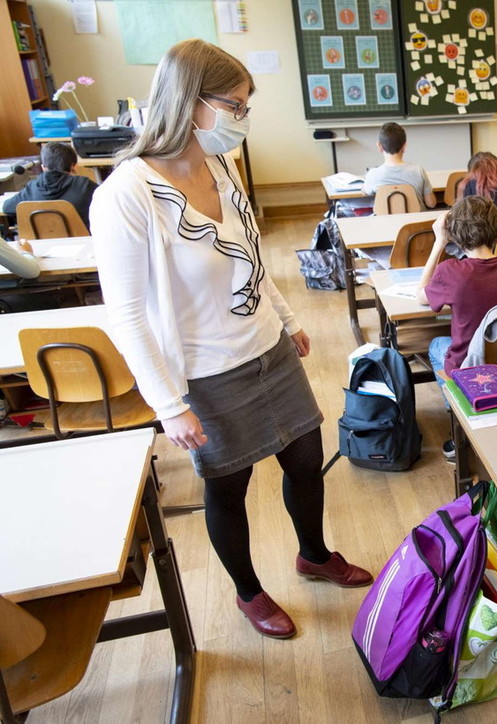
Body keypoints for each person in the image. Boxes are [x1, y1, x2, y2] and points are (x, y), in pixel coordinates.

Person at [90, 39, 371, 640]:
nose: (242, 117)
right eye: (235, 105)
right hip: (207, 372)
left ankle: (313, 555)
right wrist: (169, 405)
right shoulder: (126, 196)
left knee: (304, 461)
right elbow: (128, 315)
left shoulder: (220, 166)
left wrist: (289, 319)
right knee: (229, 484)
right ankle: (249, 592)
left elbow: (249, 256)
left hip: (266, 347)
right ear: (191, 103)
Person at [417, 195, 497, 455]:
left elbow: (421, 295)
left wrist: (439, 242)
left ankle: (460, 418)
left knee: (437, 344)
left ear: (455, 235)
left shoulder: (450, 271)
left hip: (469, 368)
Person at [2, 142, 98, 230]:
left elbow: (7, 208)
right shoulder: (85, 185)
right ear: (74, 166)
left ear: (43, 167)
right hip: (82, 242)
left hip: (39, 246)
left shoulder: (32, 188)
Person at [361, 122, 437, 208]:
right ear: (404, 146)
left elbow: (365, 192)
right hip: (416, 221)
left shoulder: (373, 174)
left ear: (379, 146)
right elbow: (431, 204)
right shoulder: (418, 170)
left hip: (385, 221)